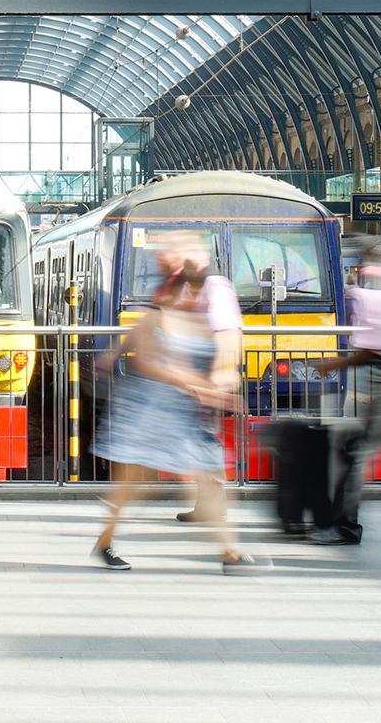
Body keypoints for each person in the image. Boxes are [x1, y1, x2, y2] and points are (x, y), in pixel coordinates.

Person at [91, 232, 259, 573]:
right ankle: (104, 542)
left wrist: (217, 381)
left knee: (205, 475)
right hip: (150, 410)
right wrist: (202, 385)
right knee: (133, 483)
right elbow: (154, 359)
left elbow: (224, 344)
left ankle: (230, 553)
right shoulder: (164, 309)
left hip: (177, 412)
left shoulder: (204, 302)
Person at [312, 257, 381, 545]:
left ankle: (345, 527)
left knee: (355, 454)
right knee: (353, 451)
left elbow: (374, 350)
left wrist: (334, 364)